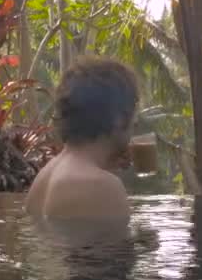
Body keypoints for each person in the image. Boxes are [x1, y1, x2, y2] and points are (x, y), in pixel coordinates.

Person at [25, 57, 139, 225]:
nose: (135, 122)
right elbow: (119, 251)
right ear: (119, 118)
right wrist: (148, 240)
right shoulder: (102, 187)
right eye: (134, 111)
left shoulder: (43, 178)